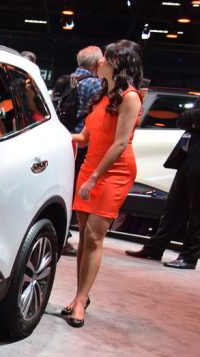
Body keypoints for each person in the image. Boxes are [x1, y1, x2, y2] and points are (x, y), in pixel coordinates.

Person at [63, 40, 144, 327]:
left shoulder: (130, 97)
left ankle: (81, 301)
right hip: (90, 167)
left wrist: (96, 177)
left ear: (118, 65)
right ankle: (79, 295)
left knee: (95, 237)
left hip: (113, 173)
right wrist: (56, 136)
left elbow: (120, 143)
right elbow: (84, 138)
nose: (100, 63)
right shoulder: (102, 95)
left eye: (106, 59)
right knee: (84, 238)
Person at [125, 96, 200, 270]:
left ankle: (188, 258)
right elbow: (183, 120)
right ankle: (154, 249)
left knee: (196, 215)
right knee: (173, 209)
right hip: (186, 160)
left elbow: (190, 116)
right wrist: (191, 117)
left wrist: (192, 117)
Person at [58, 46, 106, 256]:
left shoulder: (66, 79)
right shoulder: (95, 84)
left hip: (64, 139)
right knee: (74, 192)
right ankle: (64, 237)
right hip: (82, 143)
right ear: (96, 63)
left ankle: (60, 234)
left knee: (62, 188)